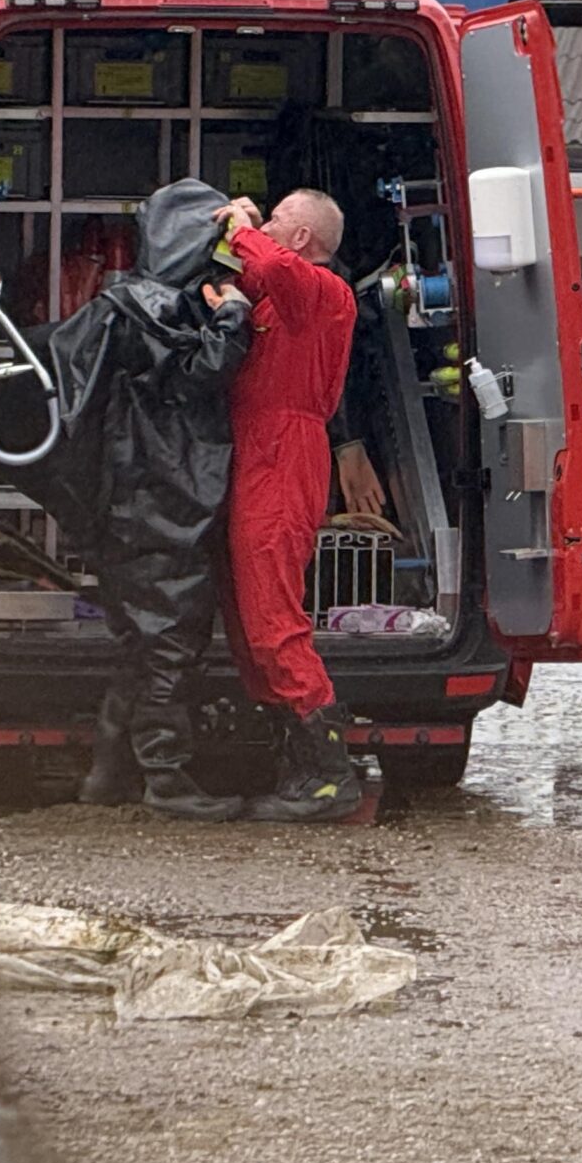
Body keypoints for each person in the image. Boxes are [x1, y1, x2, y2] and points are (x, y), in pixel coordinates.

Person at [27, 179, 255, 821]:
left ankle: (109, 772)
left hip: (131, 494)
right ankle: (166, 775)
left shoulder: (122, 304)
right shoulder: (160, 310)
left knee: (140, 640)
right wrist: (234, 315)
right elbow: (202, 373)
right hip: (161, 496)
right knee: (169, 643)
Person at [222, 188, 366, 822]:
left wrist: (240, 225)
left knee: (273, 619)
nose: (268, 223)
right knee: (251, 618)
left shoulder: (324, 293)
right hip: (261, 451)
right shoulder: (283, 297)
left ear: (302, 237)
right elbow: (258, 272)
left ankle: (330, 776)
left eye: (278, 218)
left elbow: (272, 266)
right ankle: (299, 764)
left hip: (283, 455)